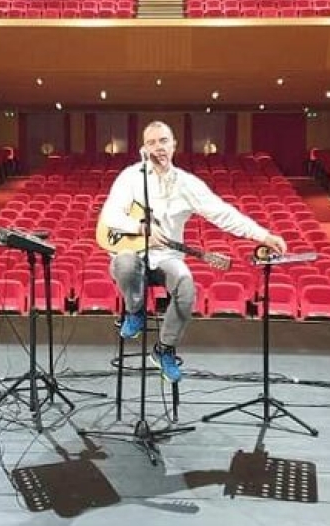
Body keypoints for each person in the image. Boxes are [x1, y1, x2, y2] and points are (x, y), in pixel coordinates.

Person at [98, 120, 287, 384]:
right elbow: (110, 216)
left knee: (186, 287)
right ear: (144, 148)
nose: (158, 147)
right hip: (132, 252)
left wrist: (263, 235)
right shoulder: (130, 177)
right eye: (151, 142)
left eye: (163, 141)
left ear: (173, 145)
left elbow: (223, 214)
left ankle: (164, 348)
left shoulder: (187, 184)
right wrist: (140, 227)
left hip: (167, 257)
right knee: (125, 263)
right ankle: (135, 310)